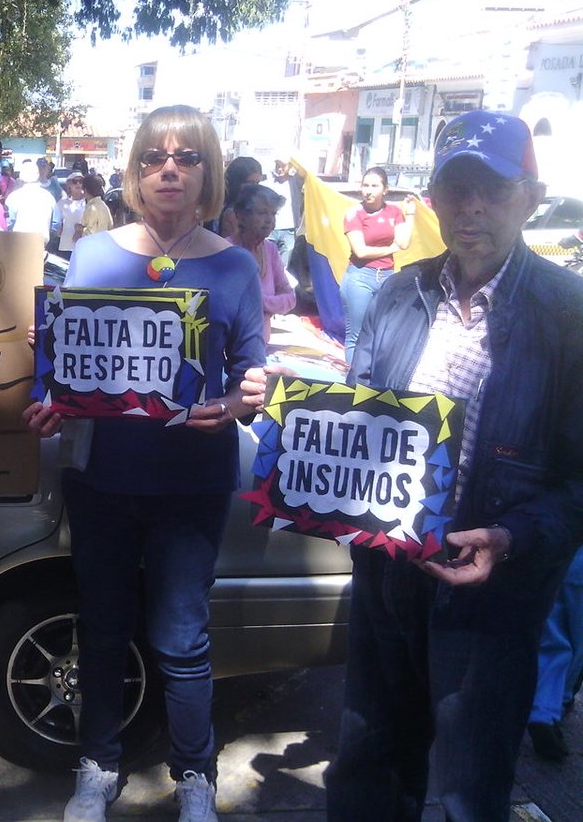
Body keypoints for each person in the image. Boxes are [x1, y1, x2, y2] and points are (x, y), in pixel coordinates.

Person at [249, 110, 583, 821]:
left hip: (491, 596)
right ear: (430, 199)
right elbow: (362, 417)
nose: (471, 207)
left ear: (530, 195)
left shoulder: (569, 316)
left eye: (491, 189)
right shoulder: (402, 292)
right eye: (455, 188)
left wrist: (512, 536)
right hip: (388, 577)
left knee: (468, 788)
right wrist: (285, 405)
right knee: (368, 766)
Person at [24, 105, 265, 822]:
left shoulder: (235, 265)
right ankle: (97, 765)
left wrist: (240, 401)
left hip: (192, 484)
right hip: (103, 479)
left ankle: (194, 773)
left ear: (206, 173)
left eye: (186, 158)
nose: (169, 169)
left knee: (181, 639)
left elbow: (249, 378)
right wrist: (48, 401)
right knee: (101, 626)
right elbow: (64, 363)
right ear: (134, 170)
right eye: (155, 156)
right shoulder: (94, 256)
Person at [339, 166, 412, 363]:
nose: (368, 190)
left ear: (385, 190)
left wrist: (411, 215)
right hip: (360, 277)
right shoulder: (354, 213)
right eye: (365, 185)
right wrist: (391, 249)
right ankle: (352, 384)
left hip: (387, 277)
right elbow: (360, 251)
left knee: (383, 332)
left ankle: (373, 382)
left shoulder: (395, 212)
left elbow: (404, 243)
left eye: (374, 186)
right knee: (357, 334)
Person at [527, 546, 583, 760]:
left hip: (556, 549)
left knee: (552, 634)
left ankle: (544, 708)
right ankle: (555, 704)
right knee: (577, 638)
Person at [226, 183, 295, 342]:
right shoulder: (226, 251)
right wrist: (270, 305)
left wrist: (262, 303)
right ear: (240, 216)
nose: (269, 220)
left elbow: (290, 297)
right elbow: (232, 303)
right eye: (263, 213)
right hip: (230, 346)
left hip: (261, 345)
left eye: (273, 213)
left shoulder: (270, 250)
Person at [6, 161, 57, 245]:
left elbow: (8, 222)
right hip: (41, 243)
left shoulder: (14, 197)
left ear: (21, 177)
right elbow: (56, 223)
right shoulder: (48, 196)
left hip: (18, 244)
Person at [216, 156, 263, 236]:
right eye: (250, 183)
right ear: (236, 182)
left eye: (257, 183)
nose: (255, 188)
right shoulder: (230, 212)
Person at [56, 171, 87, 255]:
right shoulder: (62, 202)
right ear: (69, 185)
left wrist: (81, 230)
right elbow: (56, 222)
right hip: (66, 246)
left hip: (84, 246)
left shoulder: (88, 202)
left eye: (81, 181)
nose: (78, 184)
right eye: (74, 181)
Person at [79, 174, 113, 239]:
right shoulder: (103, 205)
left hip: (92, 244)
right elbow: (110, 225)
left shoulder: (92, 208)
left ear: (85, 190)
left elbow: (90, 232)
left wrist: (80, 228)